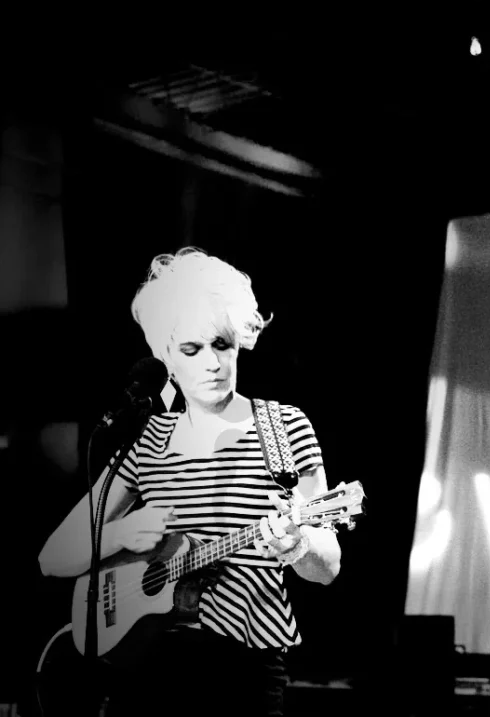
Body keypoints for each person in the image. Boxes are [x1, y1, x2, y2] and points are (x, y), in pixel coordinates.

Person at [38, 247, 342, 717]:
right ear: (166, 357)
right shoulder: (148, 439)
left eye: (221, 344)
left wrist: (299, 544)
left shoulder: (283, 428)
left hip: (246, 674)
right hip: (145, 668)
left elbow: (329, 567)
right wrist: (119, 532)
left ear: (239, 341)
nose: (212, 363)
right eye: (191, 349)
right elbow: (53, 557)